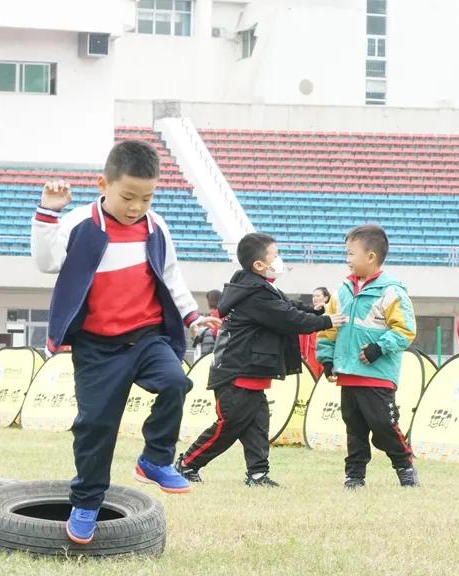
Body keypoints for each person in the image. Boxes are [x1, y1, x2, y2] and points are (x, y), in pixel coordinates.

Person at [31, 140, 219, 545]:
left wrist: (191, 316)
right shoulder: (81, 223)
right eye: (128, 197)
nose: (136, 207)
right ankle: (86, 502)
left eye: (146, 198)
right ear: (104, 184)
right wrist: (48, 212)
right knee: (95, 426)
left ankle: (155, 459)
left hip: (146, 336)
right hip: (97, 346)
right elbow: (46, 263)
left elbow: (170, 275)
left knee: (176, 382)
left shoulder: (156, 227)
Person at [176, 234, 345, 487]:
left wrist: (315, 310)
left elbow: (289, 306)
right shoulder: (255, 293)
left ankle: (257, 474)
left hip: (251, 370)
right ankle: (186, 464)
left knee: (257, 425)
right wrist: (326, 321)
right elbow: (288, 318)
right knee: (229, 425)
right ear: (258, 264)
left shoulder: (260, 287)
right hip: (236, 370)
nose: (278, 259)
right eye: (274, 255)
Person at [317, 225, 418, 489]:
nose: (347, 259)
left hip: (378, 375)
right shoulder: (341, 292)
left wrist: (379, 347)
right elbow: (328, 328)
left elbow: (405, 330)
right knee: (354, 428)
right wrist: (327, 359)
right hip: (348, 374)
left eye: (351, 253)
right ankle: (354, 475)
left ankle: (405, 466)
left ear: (371, 256)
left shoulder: (391, 291)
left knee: (384, 425)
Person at [299, 286, 333, 377]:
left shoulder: (331, 314)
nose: (315, 298)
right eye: (313, 296)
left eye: (318, 296)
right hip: (310, 354)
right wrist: (301, 353)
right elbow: (302, 335)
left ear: (326, 298)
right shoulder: (308, 315)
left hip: (325, 353)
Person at [191, 289, 222, 356]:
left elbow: (212, 333)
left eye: (208, 300)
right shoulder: (224, 314)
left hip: (209, 351)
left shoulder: (214, 316)